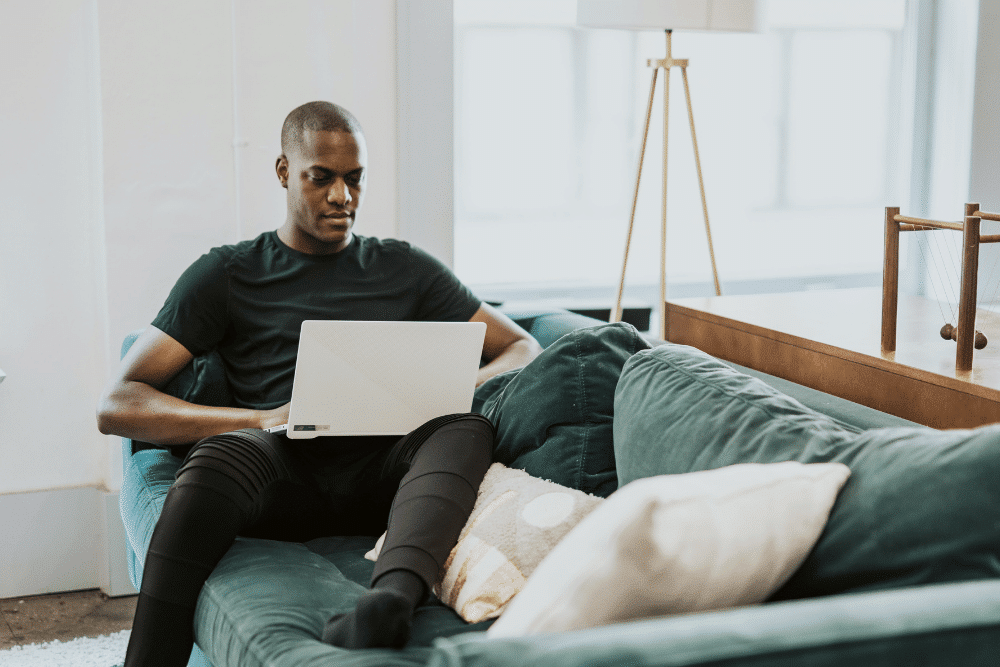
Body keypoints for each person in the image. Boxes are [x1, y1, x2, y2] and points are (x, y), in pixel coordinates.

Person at [97, 101, 542, 666]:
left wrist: (454, 390)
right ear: (285, 172)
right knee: (215, 458)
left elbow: (521, 346)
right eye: (322, 178)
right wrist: (258, 419)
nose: (342, 197)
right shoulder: (228, 273)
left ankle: (389, 602)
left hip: (386, 478)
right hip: (283, 470)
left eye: (354, 180)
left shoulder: (406, 269)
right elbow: (117, 404)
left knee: (464, 428)